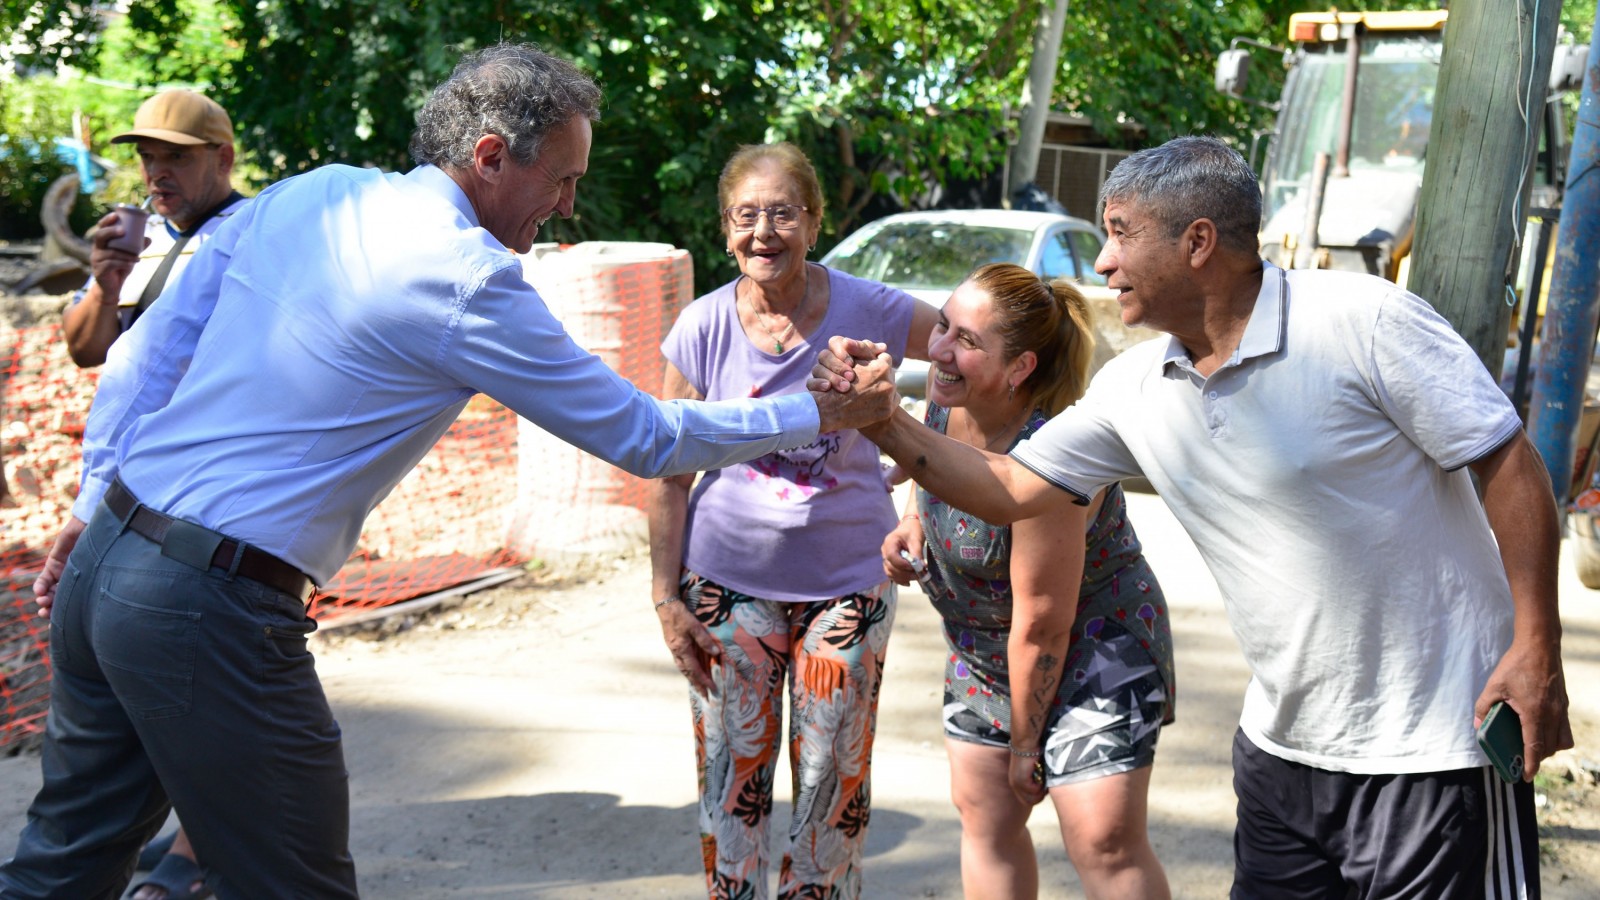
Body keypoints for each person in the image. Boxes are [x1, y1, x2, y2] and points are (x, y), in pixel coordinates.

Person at [0, 44, 895, 900]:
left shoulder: (314, 193)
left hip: (113, 556)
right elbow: (645, 437)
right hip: (210, 606)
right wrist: (820, 411)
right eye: (564, 179)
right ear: (492, 156)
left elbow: (153, 350)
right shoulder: (466, 279)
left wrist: (95, 496)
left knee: (58, 869)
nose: (571, 206)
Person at [815, 136, 1571, 898]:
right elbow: (1007, 487)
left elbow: (1507, 461)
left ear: (1198, 242)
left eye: (1119, 232)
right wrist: (880, 419)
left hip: (1434, 747)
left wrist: (1537, 644)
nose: (1103, 263)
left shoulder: (1361, 319)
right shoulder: (1136, 386)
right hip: (1283, 750)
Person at [648, 141, 938, 899]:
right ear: (724, 230)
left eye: (783, 213)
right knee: (730, 780)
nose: (763, 232)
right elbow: (668, 471)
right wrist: (664, 598)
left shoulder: (869, 307)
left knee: (830, 788)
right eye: (747, 216)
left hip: (847, 584)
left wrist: (918, 476)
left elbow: (971, 363)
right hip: (724, 584)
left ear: (814, 221)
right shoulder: (702, 327)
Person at [879, 263, 1173, 899]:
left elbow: (1044, 621)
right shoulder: (944, 398)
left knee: (1101, 837)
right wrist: (912, 525)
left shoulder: (1053, 454)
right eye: (943, 327)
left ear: (1020, 369)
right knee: (985, 817)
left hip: (1093, 645)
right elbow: (933, 477)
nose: (939, 350)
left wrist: (1023, 747)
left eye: (966, 341)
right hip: (984, 650)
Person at [63, 89, 247, 368]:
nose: (156, 172)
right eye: (146, 156)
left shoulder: (254, 229)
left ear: (224, 159)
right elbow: (85, 353)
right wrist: (105, 289)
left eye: (176, 156)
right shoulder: (136, 235)